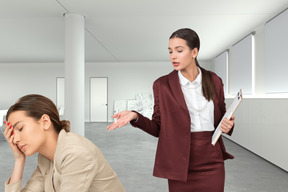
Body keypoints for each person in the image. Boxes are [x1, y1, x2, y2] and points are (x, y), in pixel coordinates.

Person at [107, 28, 235, 192]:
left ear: (194, 52)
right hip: (179, 161)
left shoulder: (214, 80)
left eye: (179, 50)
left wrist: (229, 124)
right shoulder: (162, 85)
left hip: (212, 158)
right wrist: (135, 116)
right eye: (170, 51)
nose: (173, 56)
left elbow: (223, 116)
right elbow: (158, 128)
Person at [4, 94, 126, 192]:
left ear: (45, 121)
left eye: (20, 128)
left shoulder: (76, 153)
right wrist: (19, 160)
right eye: (12, 134)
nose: (15, 140)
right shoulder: (45, 158)